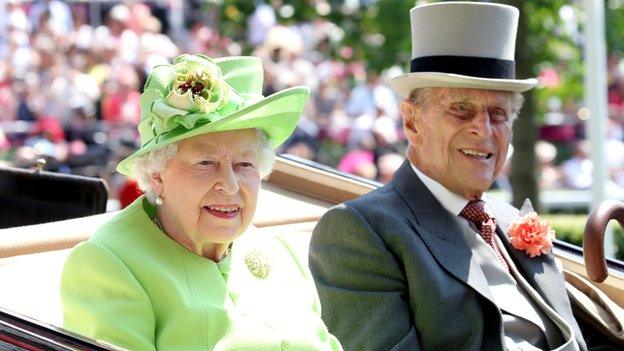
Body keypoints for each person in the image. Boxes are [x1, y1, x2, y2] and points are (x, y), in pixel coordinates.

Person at [309, 3, 586, 351]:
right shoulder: (361, 231)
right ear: (412, 122)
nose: (483, 131)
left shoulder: (509, 219)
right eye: (461, 109)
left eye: (498, 113)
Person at [61, 54, 342, 351]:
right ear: (157, 176)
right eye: (205, 162)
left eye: (245, 164)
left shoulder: (279, 252)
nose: (230, 185)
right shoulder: (108, 265)